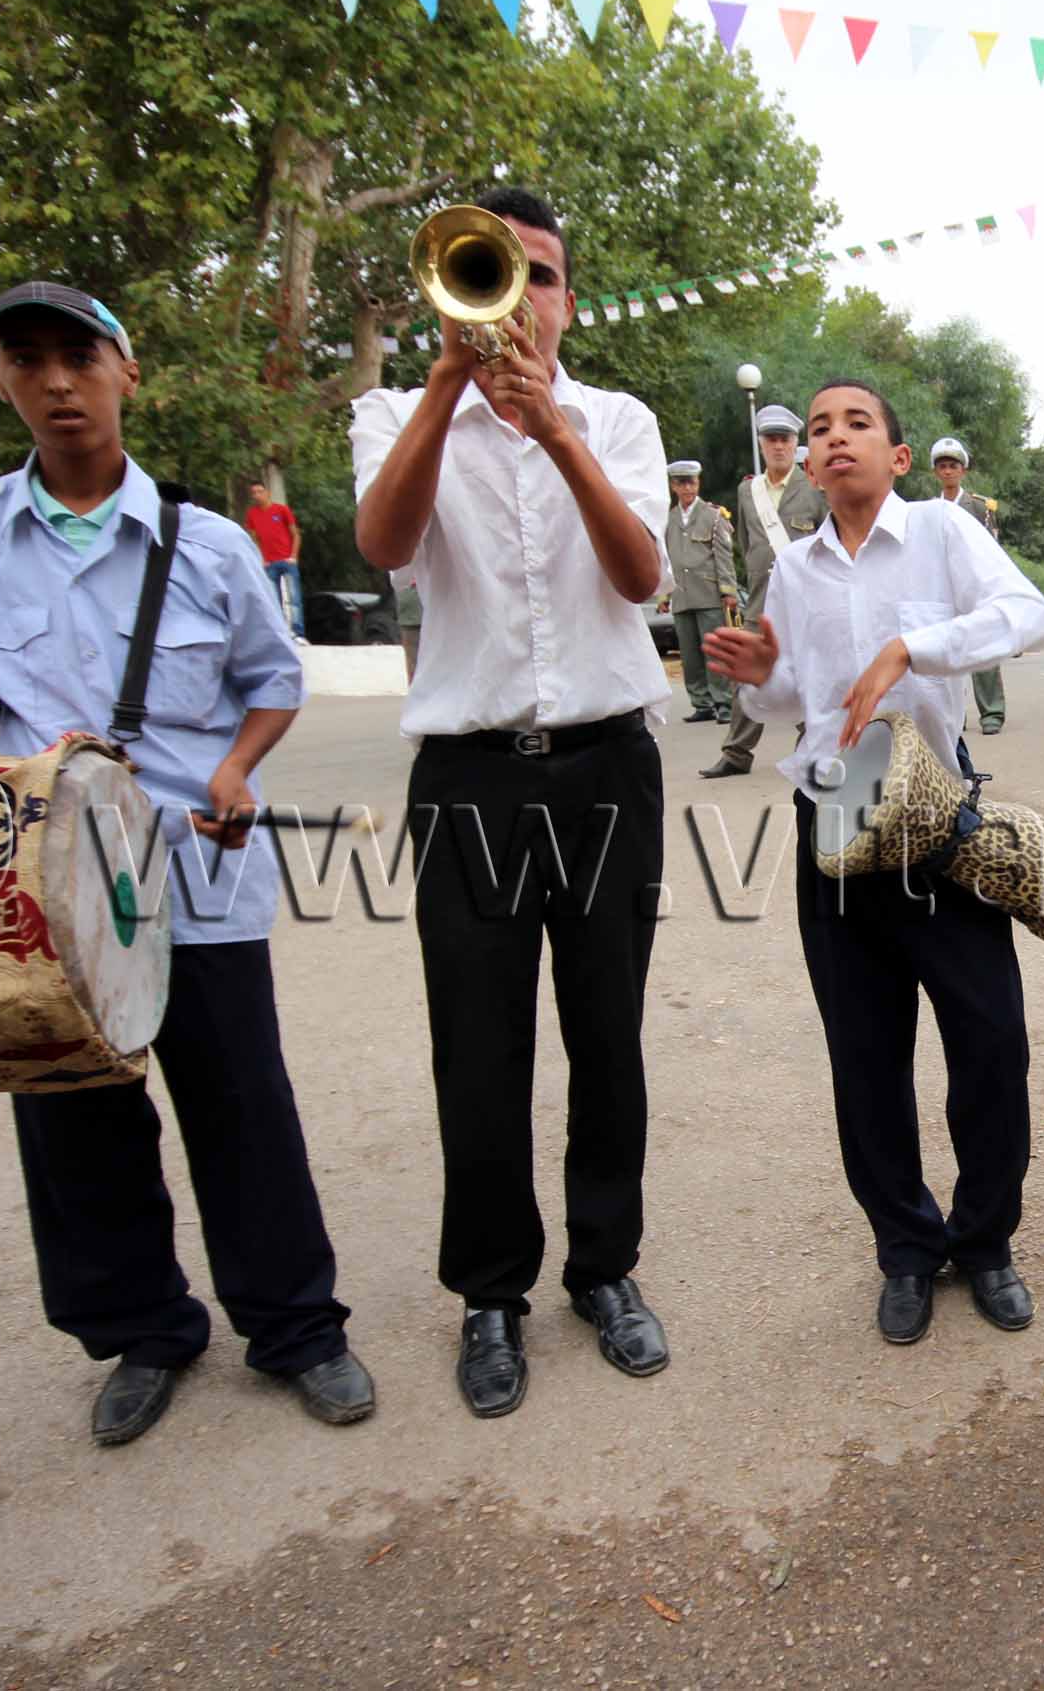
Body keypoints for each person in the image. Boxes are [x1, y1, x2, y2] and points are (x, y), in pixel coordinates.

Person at [0, 279, 372, 1445]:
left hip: (196, 872)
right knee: (76, 1122)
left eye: (78, 357)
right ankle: (144, 1332)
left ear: (126, 372)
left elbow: (270, 682)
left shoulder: (211, 543)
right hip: (36, 893)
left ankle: (297, 1331)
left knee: (242, 1107)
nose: (55, 382)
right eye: (26, 359)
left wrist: (240, 770)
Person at [350, 187, 673, 1418]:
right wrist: (444, 393)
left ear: (568, 299)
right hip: (472, 774)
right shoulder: (392, 409)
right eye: (497, 273)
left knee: (607, 1034)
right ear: (451, 288)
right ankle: (490, 1295)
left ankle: (606, 1270)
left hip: (607, 766)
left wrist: (556, 436)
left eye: (541, 275)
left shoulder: (618, 418)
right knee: (476, 1048)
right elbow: (384, 547)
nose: (520, 298)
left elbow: (641, 575)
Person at [705, 380, 1044, 1344]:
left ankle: (985, 1244)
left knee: (991, 1043)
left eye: (857, 423)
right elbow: (793, 696)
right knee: (865, 1059)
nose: (835, 438)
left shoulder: (943, 533)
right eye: (819, 429)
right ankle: (905, 1248)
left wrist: (913, 645)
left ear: (898, 457)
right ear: (807, 463)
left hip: (939, 826)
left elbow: (1033, 612)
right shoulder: (795, 569)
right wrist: (755, 673)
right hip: (835, 828)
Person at [699, 404, 824, 779]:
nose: (778, 446)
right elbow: (749, 545)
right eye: (771, 439)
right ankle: (737, 753)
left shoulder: (814, 489)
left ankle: (816, 744)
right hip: (761, 601)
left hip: (805, 601)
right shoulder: (747, 490)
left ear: (795, 442)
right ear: (761, 443)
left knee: (809, 674)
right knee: (745, 676)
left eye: (785, 439)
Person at [931, 437, 1008, 734]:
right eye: (943, 466)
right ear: (936, 472)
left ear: (963, 470)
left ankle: (992, 713)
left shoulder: (979, 507)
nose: (948, 471)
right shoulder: (930, 509)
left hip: (975, 587)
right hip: (943, 588)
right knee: (948, 653)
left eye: (953, 466)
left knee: (982, 649)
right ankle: (953, 715)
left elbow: (992, 550)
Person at [664, 458, 739, 723]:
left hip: (708, 593)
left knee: (714, 651)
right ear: (673, 486)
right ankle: (702, 703)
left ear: (698, 483)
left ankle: (725, 704)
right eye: (682, 483)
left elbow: (723, 555)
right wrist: (664, 594)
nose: (688, 488)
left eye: (692, 482)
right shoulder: (669, 518)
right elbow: (666, 558)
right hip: (682, 594)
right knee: (690, 655)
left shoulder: (713, 515)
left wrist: (729, 590)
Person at [243, 481, 306, 639]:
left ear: (267, 492)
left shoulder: (281, 510)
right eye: (254, 493)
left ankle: (297, 633)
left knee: (294, 598)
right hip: (269, 563)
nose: (257, 495)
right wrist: (261, 558)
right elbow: (253, 539)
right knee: (272, 600)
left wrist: (294, 556)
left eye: (260, 491)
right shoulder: (252, 514)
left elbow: (295, 534)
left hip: (287, 560)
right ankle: (279, 634)